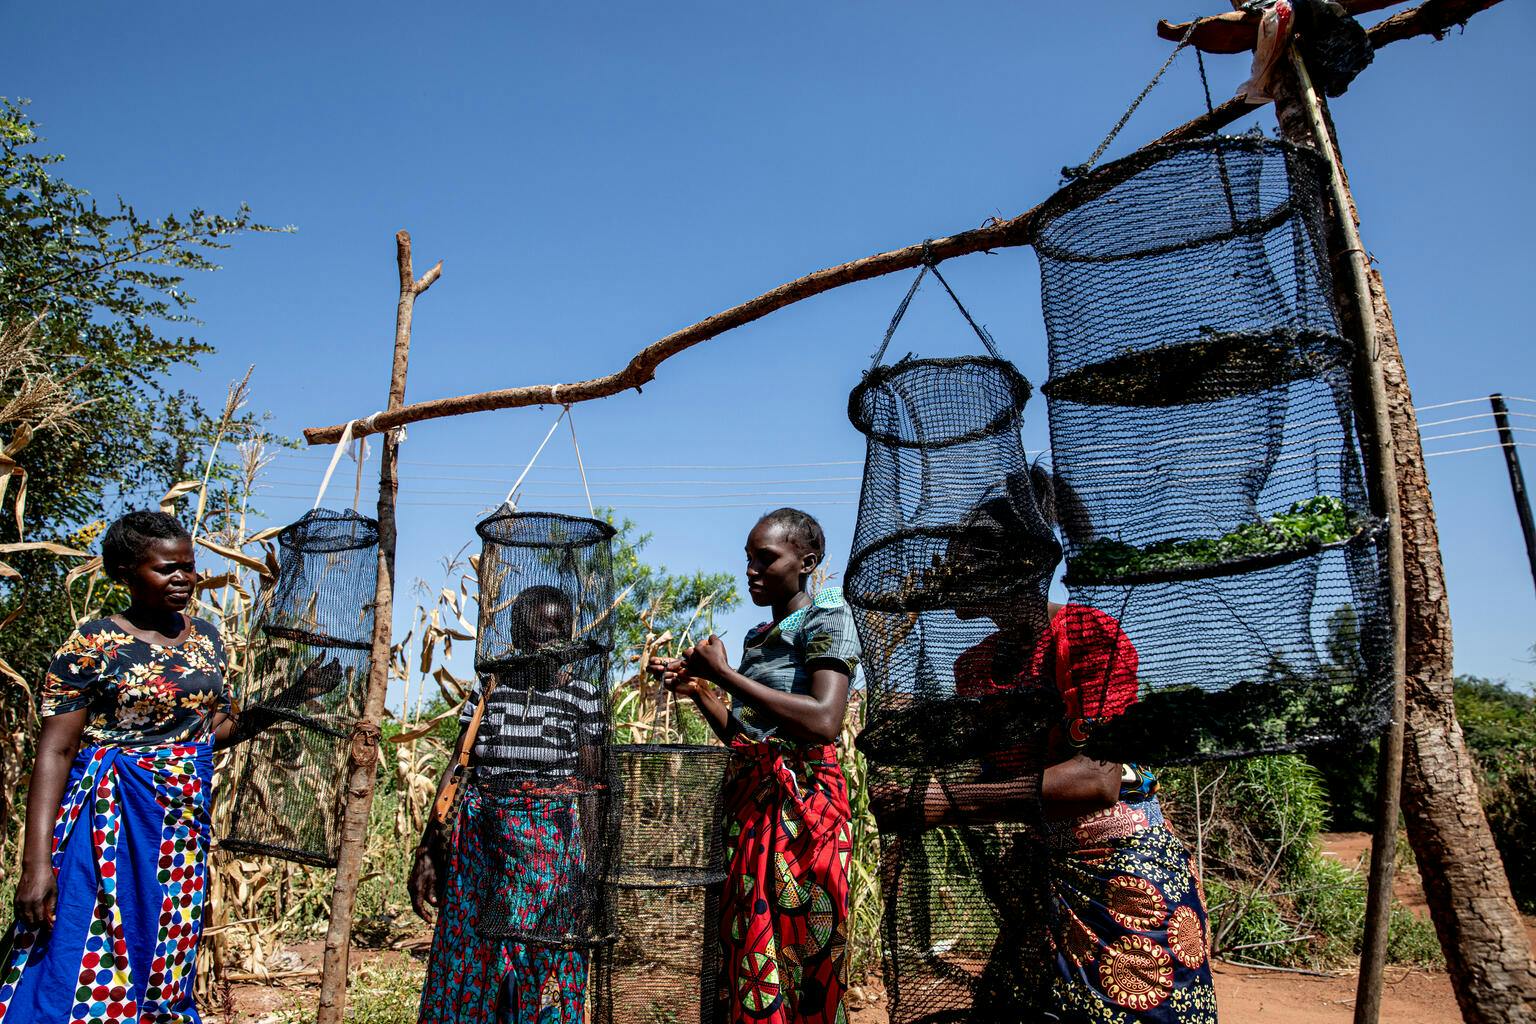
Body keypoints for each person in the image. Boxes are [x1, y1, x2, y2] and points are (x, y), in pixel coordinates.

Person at [875, 468, 1218, 1024]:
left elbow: (1097, 780)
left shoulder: (1083, 636)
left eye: (963, 560)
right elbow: (1000, 784)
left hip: (1119, 875)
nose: (949, 573)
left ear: (1014, 566)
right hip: (1040, 877)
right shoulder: (976, 667)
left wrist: (949, 801)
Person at [0, 510, 341, 1023]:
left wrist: (294, 695)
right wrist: (35, 864)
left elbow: (215, 731)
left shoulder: (206, 639)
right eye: (167, 569)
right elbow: (55, 751)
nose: (185, 579)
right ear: (125, 572)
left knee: (164, 944)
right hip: (107, 817)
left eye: (189, 566)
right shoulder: (92, 644)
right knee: (88, 939)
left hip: (180, 821)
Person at [648, 508, 861, 1024]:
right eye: (748, 560)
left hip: (803, 808)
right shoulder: (759, 636)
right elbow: (746, 736)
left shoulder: (828, 614)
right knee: (751, 945)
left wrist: (723, 675)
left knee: (802, 945)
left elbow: (824, 721)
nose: (752, 571)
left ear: (808, 561)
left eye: (766, 558)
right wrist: (699, 689)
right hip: (752, 801)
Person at [412, 585, 604, 1024]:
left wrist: (595, 871)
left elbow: (593, 788)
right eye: (536, 634)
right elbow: (459, 766)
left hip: (553, 855)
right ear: (517, 637)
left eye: (558, 632)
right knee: (477, 964)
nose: (548, 645)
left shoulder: (583, 697)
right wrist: (429, 848)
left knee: (542, 965)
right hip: (483, 853)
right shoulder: (490, 690)